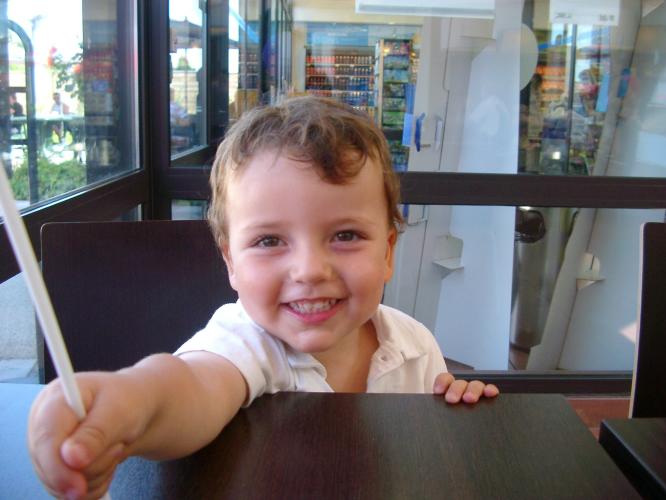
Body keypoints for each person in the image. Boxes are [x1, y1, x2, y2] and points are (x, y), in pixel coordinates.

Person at [28, 96, 499, 499]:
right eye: (270, 241)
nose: (310, 270)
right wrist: (131, 402)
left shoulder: (414, 344)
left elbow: (428, 449)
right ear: (230, 262)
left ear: (388, 252)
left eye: (346, 235)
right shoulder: (247, 342)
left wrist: (455, 403)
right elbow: (190, 389)